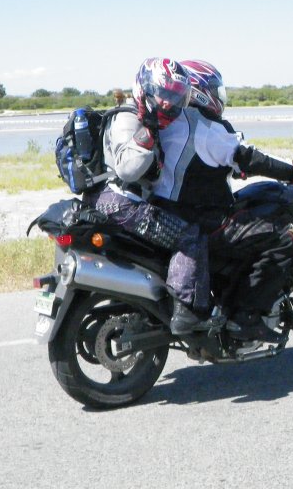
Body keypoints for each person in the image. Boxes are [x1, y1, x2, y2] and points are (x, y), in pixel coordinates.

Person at [150, 60, 293, 341]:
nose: (218, 96)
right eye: (213, 89)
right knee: (284, 235)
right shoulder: (206, 130)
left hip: (167, 216)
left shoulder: (172, 122)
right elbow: (250, 159)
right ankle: (247, 317)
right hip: (201, 221)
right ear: (199, 91)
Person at [90, 57, 211, 335]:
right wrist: (149, 131)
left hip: (114, 200)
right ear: (144, 88)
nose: (168, 103)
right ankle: (187, 311)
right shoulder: (128, 118)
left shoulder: (142, 116)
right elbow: (128, 169)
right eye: (164, 94)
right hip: (121, 203)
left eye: (175, 96)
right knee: (190, 234)